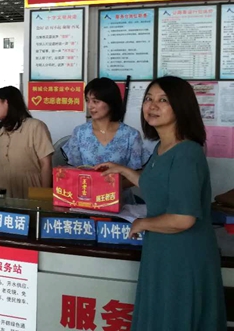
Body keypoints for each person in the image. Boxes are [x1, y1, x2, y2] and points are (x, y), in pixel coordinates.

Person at [96, 76, 226, 330]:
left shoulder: (187, 153)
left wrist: (141, 223)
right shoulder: (162, 147)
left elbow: (183, 219)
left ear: (181, 106)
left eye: (163, 100)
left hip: (184, 255)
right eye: (149, 99)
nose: (152, 106)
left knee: (175, 318)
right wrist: (123, 170)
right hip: (161, 250)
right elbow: (155, 184)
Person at [62, 77, 151, 180]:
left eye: (95, 101)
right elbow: (73, 170)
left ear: (110, 102)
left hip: (120, 190)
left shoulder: (131, 135)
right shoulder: (79, 132)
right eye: (87, 100)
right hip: (86, 189)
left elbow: (136, 174)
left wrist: (112, 186)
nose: (90, 106)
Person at [0, 86, 54, 197]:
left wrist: (43, 198)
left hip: (31, 194)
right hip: (2, 196)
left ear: (6, 102)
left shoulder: (36, 127)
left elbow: (46, 164)